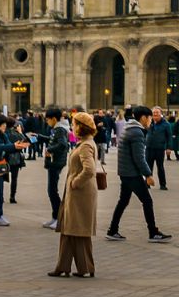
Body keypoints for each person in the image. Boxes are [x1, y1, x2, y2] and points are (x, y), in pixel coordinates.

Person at [106, 106, 172, 243]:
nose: (151, 121)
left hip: (125, 172)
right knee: (147, 200)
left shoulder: (129, 128)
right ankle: (153, 232)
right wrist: (148, 175)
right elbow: (139, 158)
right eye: (149, 118)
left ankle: (112, 230)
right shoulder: (137, 132)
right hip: (131, 173)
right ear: (143, 118)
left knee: (123, 201)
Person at [50, 112, 99, 278]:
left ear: (80, 127)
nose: (72, 126)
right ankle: (64, 266)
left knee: (78, 230)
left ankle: (85, 268)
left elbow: (89, 170)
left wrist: (75, 182)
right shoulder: (85, 142)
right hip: (78, 193)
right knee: (69, 229)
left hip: (81, 193)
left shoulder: (85, 145)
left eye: (74, 124)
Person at [41, 108, 69, 229]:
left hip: (55, 163)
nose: (47, 122)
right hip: (55, 162)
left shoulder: (59, 129)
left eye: (47, 119)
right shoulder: (57, 129)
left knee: (52, 191)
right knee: (51, 190)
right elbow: (53, 140)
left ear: (53, 119)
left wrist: (50, 149)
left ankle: (59, 218)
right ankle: (55, 217)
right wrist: (39, 136)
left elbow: (63, 144)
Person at [146, 107, 172, 191]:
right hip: (149, 148)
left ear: (161, 114)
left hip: (160, 149)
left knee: (160, 167)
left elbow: (169, 137)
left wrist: (169, 148)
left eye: (157, 112)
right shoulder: (149, 123)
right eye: (153, 112)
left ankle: (163, 184)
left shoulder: (166, 124)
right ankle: (147, 184)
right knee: (148, 167)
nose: (155, 114)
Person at [7, 119, 28, 204]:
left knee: (1, 178)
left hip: (5, 157)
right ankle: (12, 196)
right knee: (14, 178)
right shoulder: (18, 134)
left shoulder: (7, 132)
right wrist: (20, 132)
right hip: (15, 158)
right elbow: (25, 143)